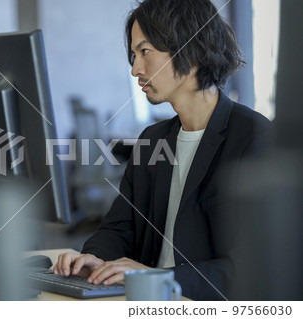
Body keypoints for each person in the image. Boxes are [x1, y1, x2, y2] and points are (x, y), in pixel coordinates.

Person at [53, 0, 272, 300]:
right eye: (133, 55)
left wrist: (157, 276)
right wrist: (94, 258)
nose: (135, 69)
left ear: (190, 49)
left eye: (145, 52)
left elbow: (253, 270)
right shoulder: (153, 140)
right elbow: (119, 227)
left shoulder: (254, 140)